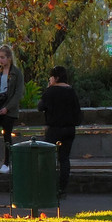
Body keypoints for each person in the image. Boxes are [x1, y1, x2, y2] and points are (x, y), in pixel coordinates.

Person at [37, 65, 82, 196]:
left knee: (48, 158)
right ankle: (62, 188)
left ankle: (48, 186)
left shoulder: (50, 92)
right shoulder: (71, 91)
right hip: (69, 129)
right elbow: (77, 112)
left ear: (55, 78)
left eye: (50, 77)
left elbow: (40, 107)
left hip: (54, 129)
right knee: (64, 159)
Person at [0, 45, 25, 173]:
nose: (0, 60)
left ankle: (7, 163)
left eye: (2, 57)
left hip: (9, 109)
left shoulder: (16, 73)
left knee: (7, 136)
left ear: (9, 58)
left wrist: (8, 108)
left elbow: (18, 93)